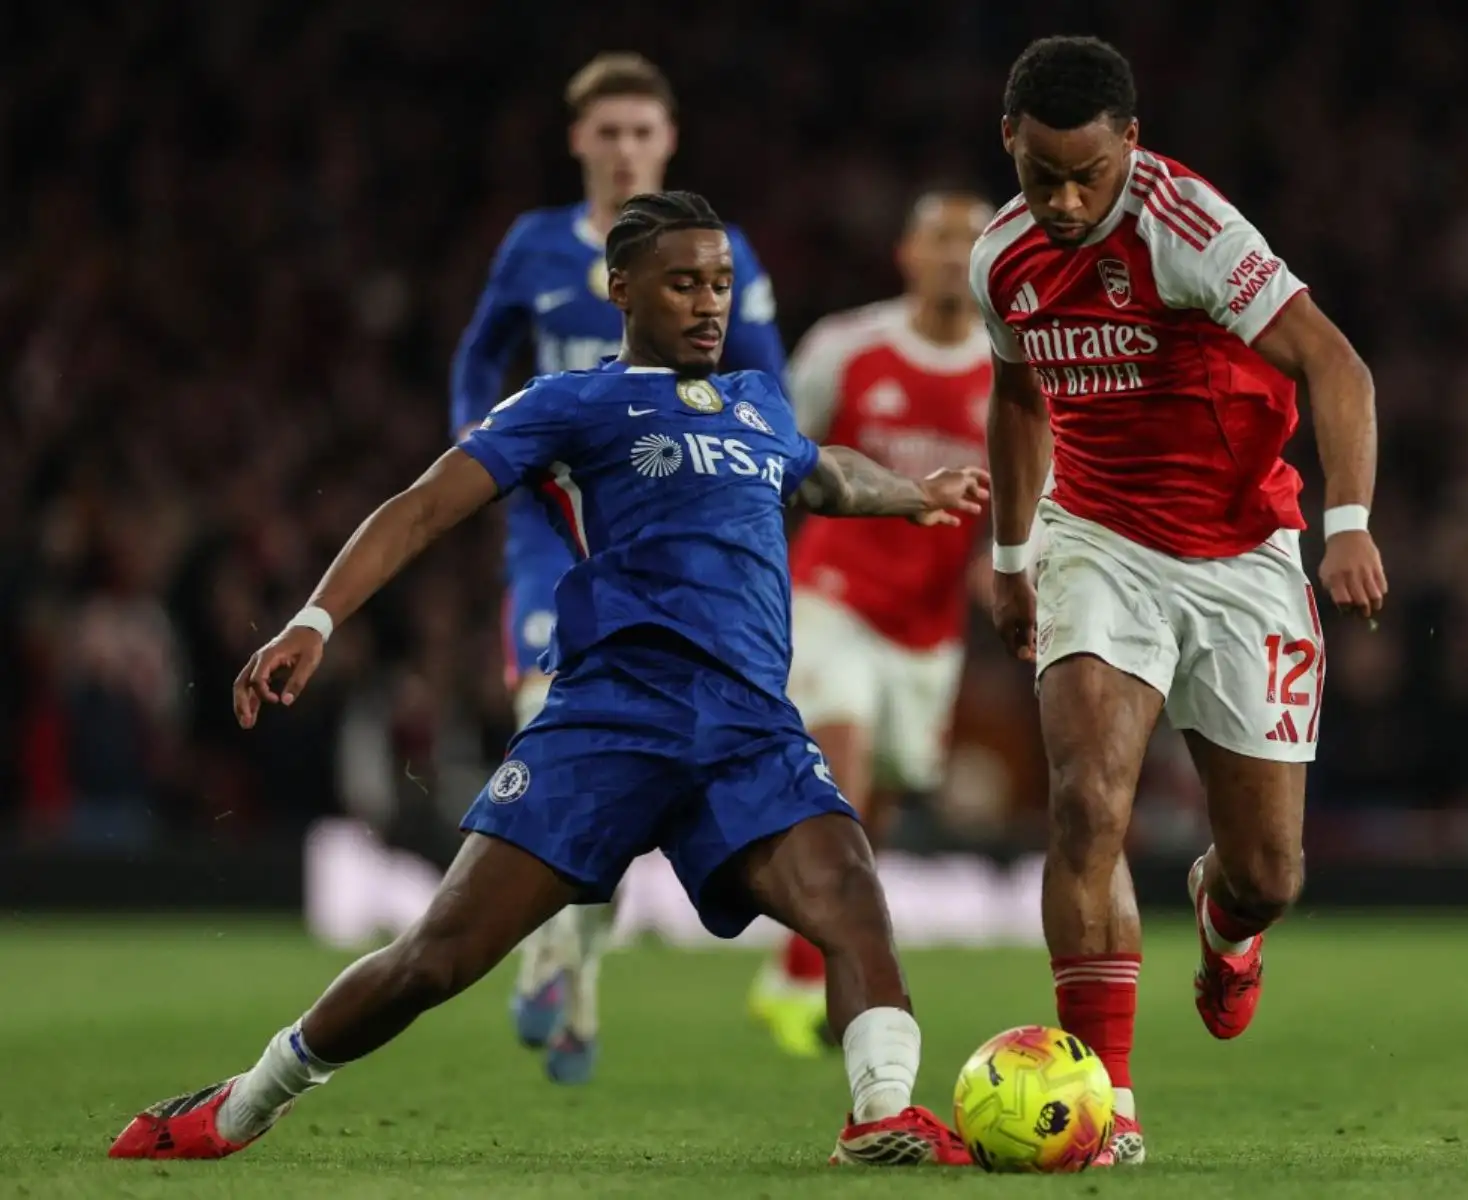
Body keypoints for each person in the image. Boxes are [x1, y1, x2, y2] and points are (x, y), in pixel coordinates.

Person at [109, 192, 985, 1168]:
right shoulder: (570, 404)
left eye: (722, 283)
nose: (709, 303)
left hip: (748, 732)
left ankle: (879, 1117)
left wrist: (914, 493)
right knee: (432, 962)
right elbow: (420, 508)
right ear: (622, 288)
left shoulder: (757, 401)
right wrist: (315, 619)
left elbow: (823, 476)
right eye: (684, 282)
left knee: (854, 901)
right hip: (606, 729)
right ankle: (239, 1104)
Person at [970, 38, 1389, 1166]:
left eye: (1088, 175)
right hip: (1095, 539)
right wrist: (1013, 555)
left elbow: (1337, 365)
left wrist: (1346, 526)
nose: (1063, 200)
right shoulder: (1002, 259)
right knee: (1085, 806)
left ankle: (1223, 919)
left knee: (1271, 873)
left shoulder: (1189, 231)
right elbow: (1017, 399)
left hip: (1245, 554)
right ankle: (1102, 1100)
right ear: (1008, 140)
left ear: (1132, 146)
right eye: (1042, 173)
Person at [449, 53, 787, 1085]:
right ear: (579, 142)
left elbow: (767, 386)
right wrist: (478, 446)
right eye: (608, 133)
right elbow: (476, 354)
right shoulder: (533, 247)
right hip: (555, 523)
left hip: (662, 529)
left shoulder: (714, 259)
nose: (625, 149)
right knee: (546, 712)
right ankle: (557, 949)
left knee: (636, 752)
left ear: (668, 140)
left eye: (642, 132)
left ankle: (572, 963)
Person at [747, 190, 997, 1057]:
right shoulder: (847, 348)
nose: (952, 254)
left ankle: (791, 974)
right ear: (906, 254)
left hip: (927, 629)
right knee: (840, 774)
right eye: (938, 238)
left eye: (971, 241)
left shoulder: (1011, 368)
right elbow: (778, 460)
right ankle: (818, 974)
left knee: (878, 808)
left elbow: (1027, 488)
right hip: (832, 595)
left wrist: (1000, 565)